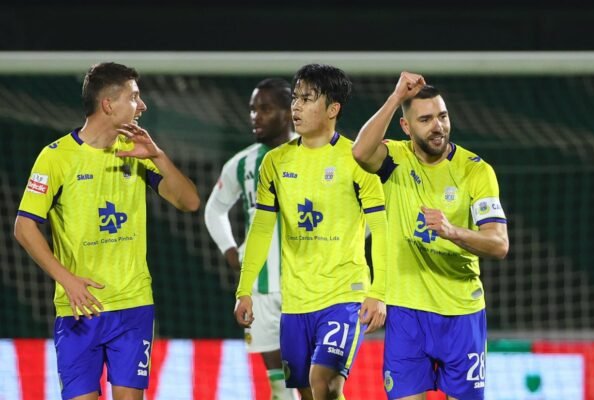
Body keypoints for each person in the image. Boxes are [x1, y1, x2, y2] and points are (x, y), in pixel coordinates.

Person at [13, 62, 200, 400]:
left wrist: (157, 155)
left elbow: (189, 202)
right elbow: (24, 227)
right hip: (78, 308)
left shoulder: (137, 151)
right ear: (108, 104)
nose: (142, 106)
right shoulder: (56, 157)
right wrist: (67, 280)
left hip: (132, 304)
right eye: (134, 97)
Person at [234, 64, 388, 400]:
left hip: (344, 296)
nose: (297, 106)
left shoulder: (358, 160)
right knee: (306, 393)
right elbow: (260, 230)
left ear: (333, 109)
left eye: (307, 99)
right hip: (295, 302)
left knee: (326, 382)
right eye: (296, 98)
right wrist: (244, 289)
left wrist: (379, 291)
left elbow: (381, 230)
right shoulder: (275, 162)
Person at [352, 72, 509, 400]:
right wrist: (396, 97)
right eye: (425, 120)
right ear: (406, 127)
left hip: (461, 311)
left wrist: (452, 232)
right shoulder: (395, 159)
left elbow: (498, 244)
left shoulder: (475, 170)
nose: (438, 126)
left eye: (443, 116)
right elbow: (360, 152)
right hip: (407, 312)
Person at [205, 78, 299, 400]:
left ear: (288, 113)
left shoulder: (316, 155)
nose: (255, 116)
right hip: (260, 287)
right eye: (253, 109)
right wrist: (230, 250)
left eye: (265, 109)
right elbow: (214, 209)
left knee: (316, 381)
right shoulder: (242, 163)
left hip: (309, 285)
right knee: (279, 385)